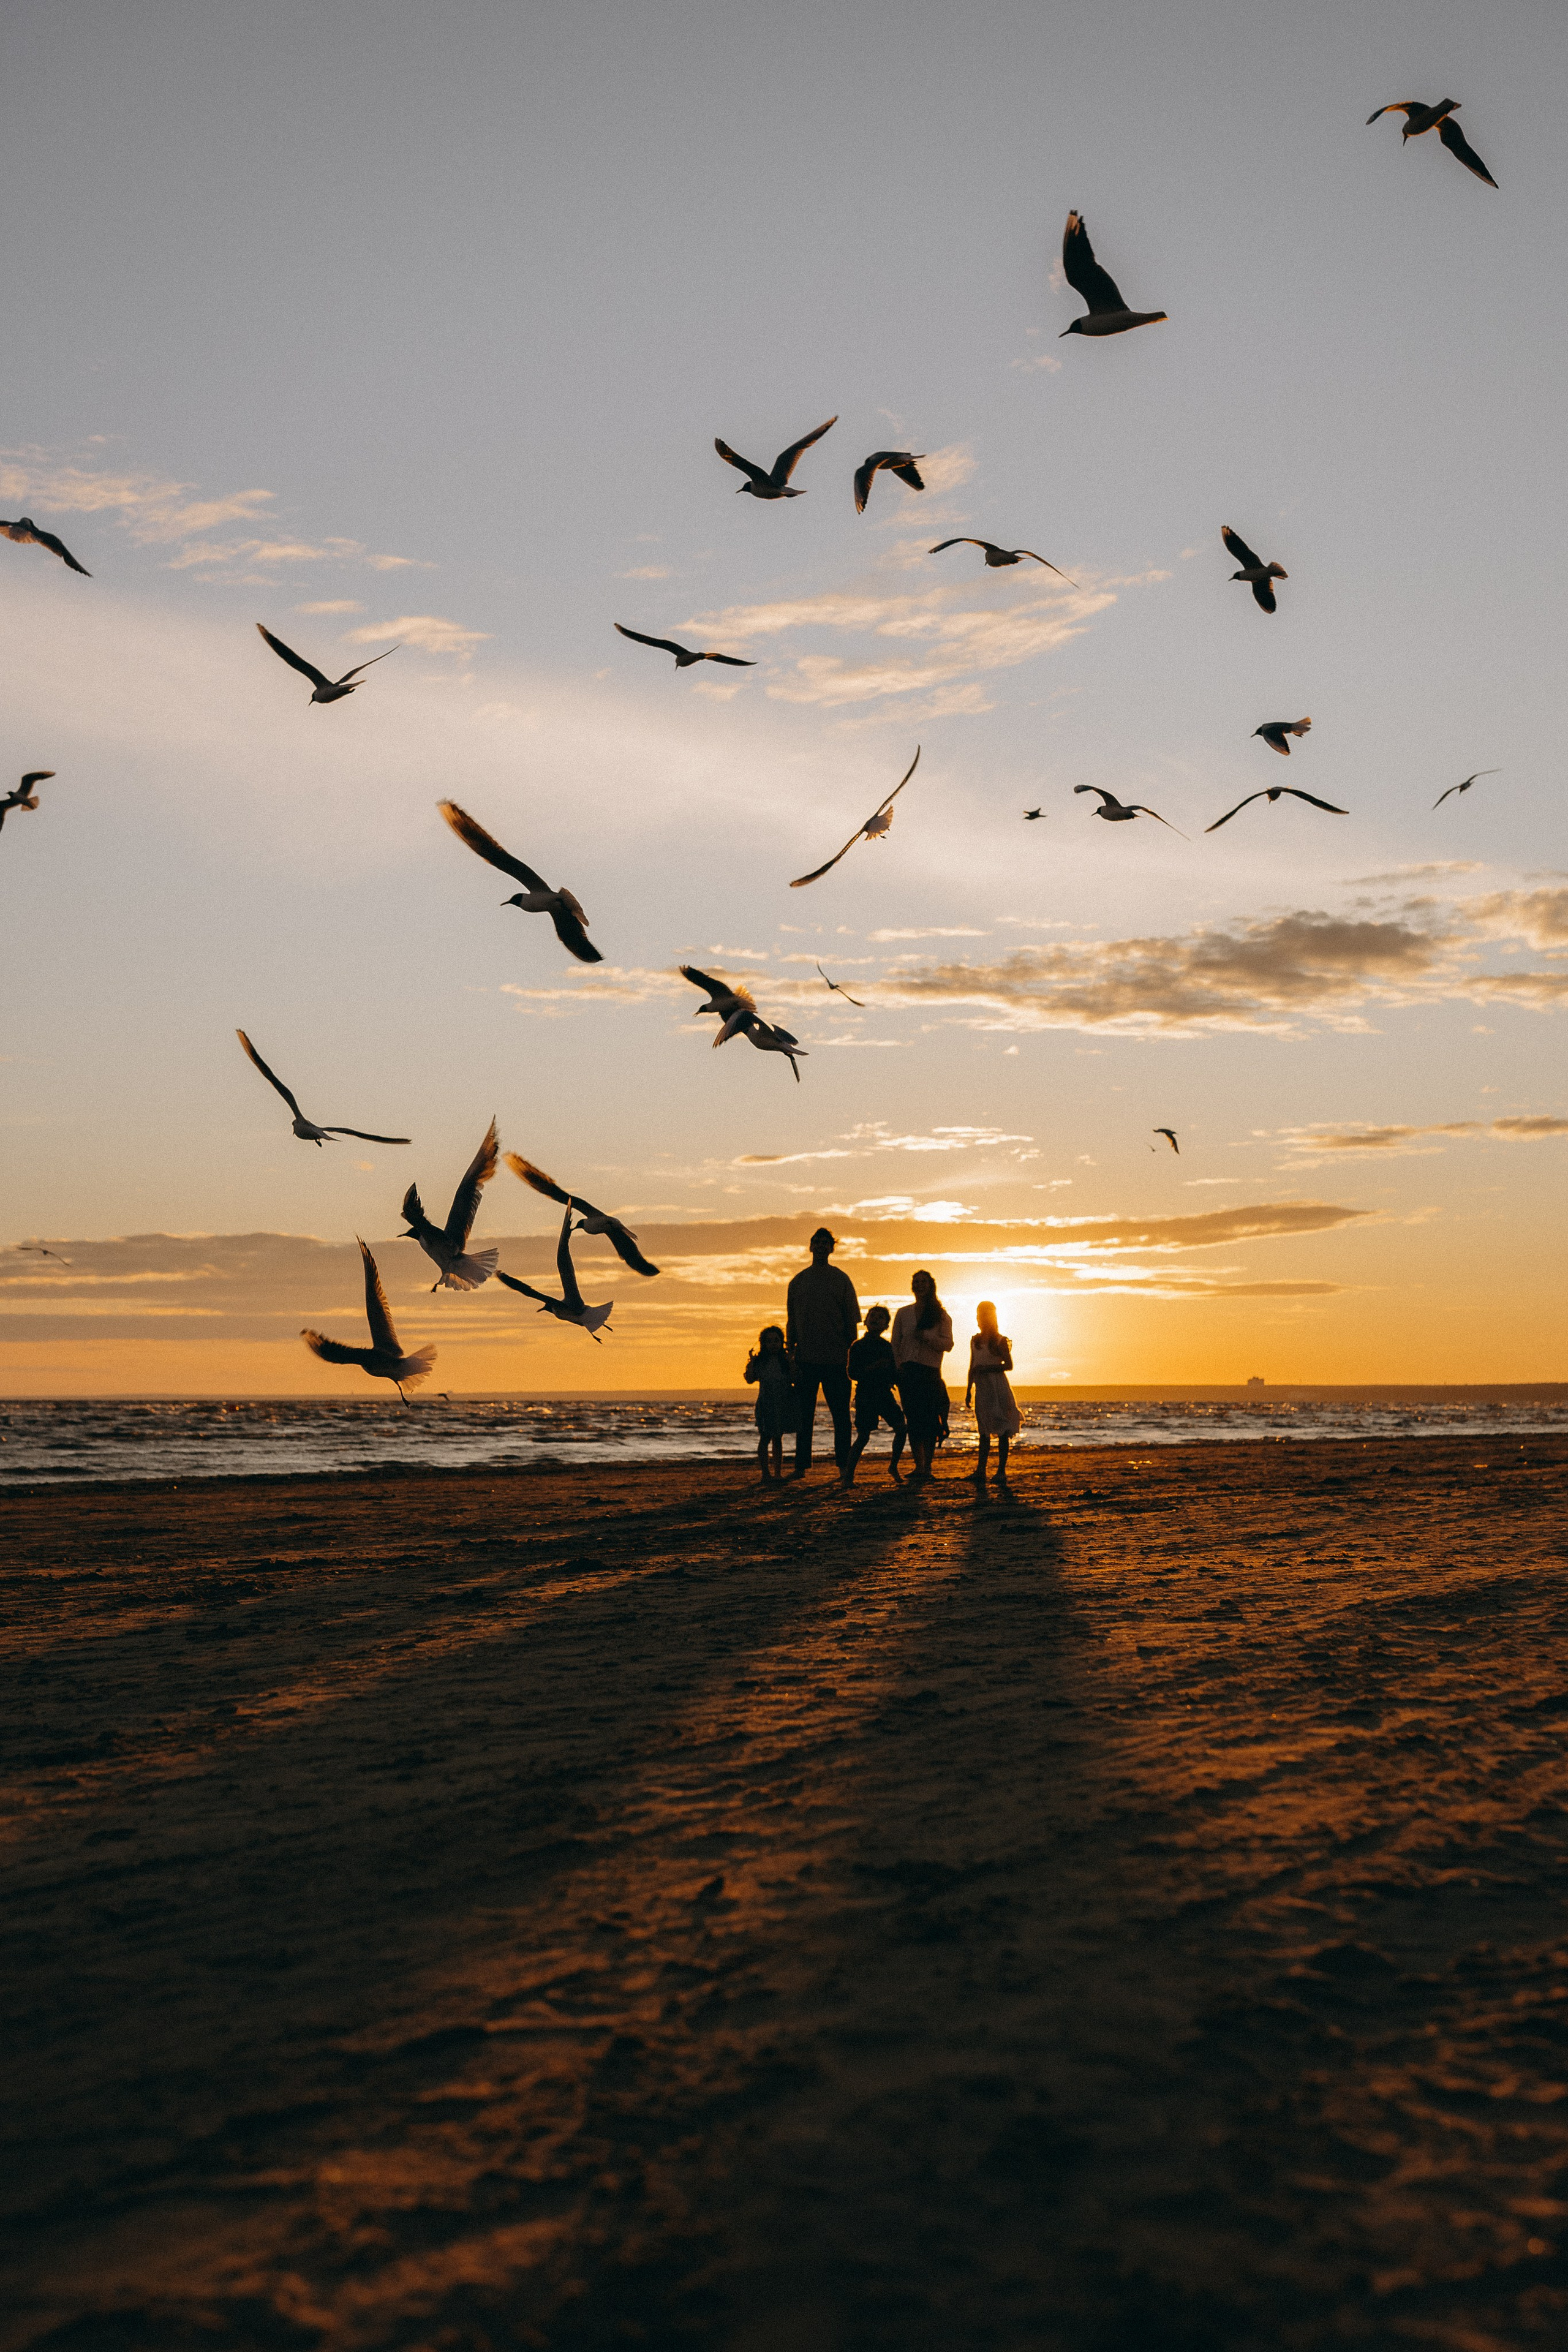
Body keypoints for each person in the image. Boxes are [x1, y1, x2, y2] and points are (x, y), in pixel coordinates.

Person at [785, 1227, 859, 1481]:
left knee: (841, 1417)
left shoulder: (841, 1280)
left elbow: (852, 1323)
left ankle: (843, 1466)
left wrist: (853, 1357)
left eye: (824, 1242)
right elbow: (791, 1323)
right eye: (815, 1242)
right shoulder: (798, 1282)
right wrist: (790, 1356)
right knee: (804, 1416)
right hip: (805, 1358)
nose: (820, 1246)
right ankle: (800, 1466)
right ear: (810, 1247)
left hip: (837, 1359)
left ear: (831, 1248)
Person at [890, 1269, 953, 1481]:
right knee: (913, 1420)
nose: (919, 1285)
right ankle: (919, 1466)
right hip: (907, 1372)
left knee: (930, 1421)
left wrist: (926, 1337)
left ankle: (928, 1467)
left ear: (931, 1285)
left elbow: (948, 1344)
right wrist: (898, 1367)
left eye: (923, 1282)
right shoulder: (903, 1313)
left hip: (930, 1371)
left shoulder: (941, 1315)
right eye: (915, 1282)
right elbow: (895, 1345)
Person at [846, 1304, 907, 1482]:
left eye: (881, 1318)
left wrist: (898, 1377)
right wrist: (873, 1368)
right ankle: (848, 1476)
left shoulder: (888, 1347)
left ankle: (893, 1467)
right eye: (872, 1316)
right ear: (865, 1321)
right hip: (866, 1396)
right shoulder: (857, 1346)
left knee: (902, 1429)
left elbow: (894, 1373)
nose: (875, 1319)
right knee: (863, 1436)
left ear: (886, 1326)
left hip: (885, 1395)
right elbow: (852, 1373)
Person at [964, 1300, 1022, 1485]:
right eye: (979, 1314)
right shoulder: (975, 1340)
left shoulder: (1000, 1340)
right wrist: (968, 1390)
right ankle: (981, 1471)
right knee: (983, 1429)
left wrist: (988, 1368)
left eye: (985, 1314)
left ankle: (1001, 1471)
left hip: (998, 1388)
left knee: (1003, 1429)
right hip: (982, 1389)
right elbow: (972, 1366)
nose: (981, 1318)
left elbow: (1009, 1365)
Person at [745, 1324, 794, 1483]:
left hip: (782, 1403)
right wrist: (752, 1362)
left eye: (776, 1341)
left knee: (778, 1438)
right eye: (769, 1341)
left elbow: (796, 1378)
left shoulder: (785, 1361)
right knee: (765, 1438)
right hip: (765, 1404)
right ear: (764, 1344)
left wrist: (791, 1362)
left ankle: (778, 1473)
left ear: (781, 1342)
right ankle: (766, 1474)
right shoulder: (760, 1362)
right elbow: (750, 1379)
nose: (773, 1344)